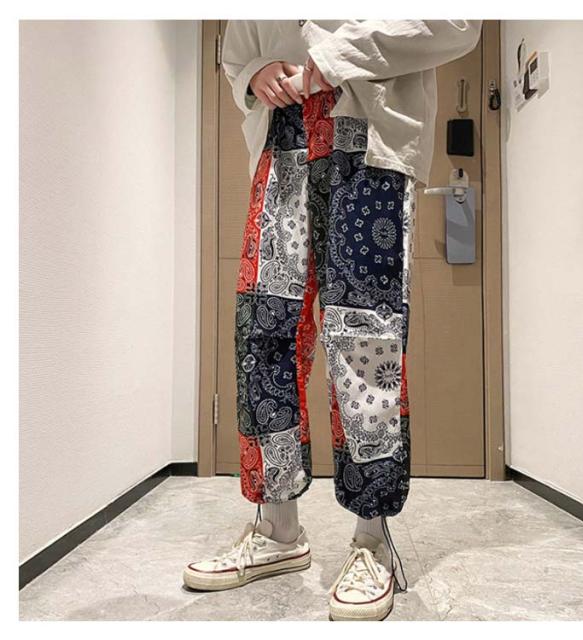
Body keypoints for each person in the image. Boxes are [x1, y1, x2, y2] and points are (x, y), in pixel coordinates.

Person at [183, 19, 482, 621]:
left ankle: (373, 539)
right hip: (281, 141)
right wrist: (254, 73)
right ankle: (278, 530)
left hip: (366, 133)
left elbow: (458, 21)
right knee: (265, 333)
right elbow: (237, 51)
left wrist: (337, 54)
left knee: (365, 341)